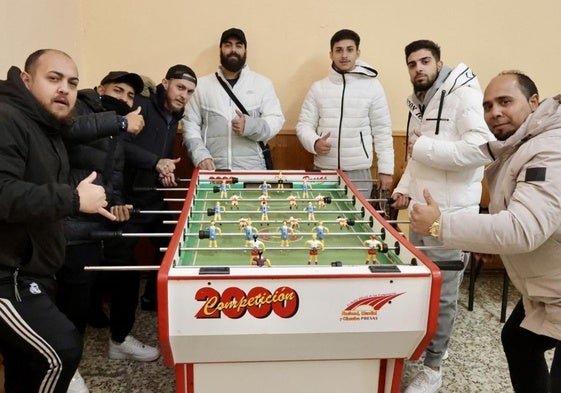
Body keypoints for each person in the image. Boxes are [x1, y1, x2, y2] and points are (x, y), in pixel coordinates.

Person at [410, 71, 561, 393]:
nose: (495, 112)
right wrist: (483, 238)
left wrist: (441, 224)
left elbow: (522, 229)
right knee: (519, 341)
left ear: (534, 103)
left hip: (555, 284)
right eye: (488, 105)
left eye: (505, 102)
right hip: (547, 281)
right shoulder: (520, 144)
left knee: (523, 345)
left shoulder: (550, 148)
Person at [0, 49, 111, 392]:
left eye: (72, 83)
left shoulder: (46, 126)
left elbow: (38, 195)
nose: (64, 88)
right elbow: (3, 194)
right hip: (7, 275)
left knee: (27, 363)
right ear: (26, 80)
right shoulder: (7, 118)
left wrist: (79, 202)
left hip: (31, 269)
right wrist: (75, 199)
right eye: (54, 79)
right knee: (62, 349)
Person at [390, 40, 494, 393]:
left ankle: (433, 368)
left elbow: (481, 150)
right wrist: (405, 185)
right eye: (412, 64)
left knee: (444, 295)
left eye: (425, 61)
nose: (418, 68)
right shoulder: (420, 102)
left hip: (450, 217)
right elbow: (419, 157)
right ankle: (420, 350)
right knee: (422, 289)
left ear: (440, 63)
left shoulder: (463, 95)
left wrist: (423, 147)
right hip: (420, 212)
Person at [100, 65, 197, 359]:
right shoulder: (140, 106)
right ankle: (118, 338)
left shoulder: (174, 116)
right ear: (165, 83)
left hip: (150, 195)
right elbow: (120, 148)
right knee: (122, 267)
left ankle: (155, 300)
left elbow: (157, 159)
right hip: (124, 199)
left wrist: (161, 171)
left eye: (190, 92)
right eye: (180, 87)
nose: (184, 95)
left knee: (175, 244)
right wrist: (156, 162)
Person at [56, 70, 145, 391]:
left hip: (104, 216)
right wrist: (121, 122)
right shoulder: (78, 106)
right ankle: (68, 369)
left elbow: (115, 177)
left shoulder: (115, 132)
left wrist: (119, 205)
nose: (123, 98)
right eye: (118, 90)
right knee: (75, 296)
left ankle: (119, 339)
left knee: (128, 270)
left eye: (130, 96)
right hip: (71, 216)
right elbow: (70, 130)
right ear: (100, 88)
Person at [296, 29, 394, 198]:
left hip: (359, 172)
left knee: (357, 221)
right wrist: (314, 142)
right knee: (323, 219)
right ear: (331, 54)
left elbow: (382, 130)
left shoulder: (372, 86)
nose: (344, 55)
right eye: (339, 50)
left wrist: (386, 170)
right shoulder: (318, 88)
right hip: (324, 170)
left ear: (358, 53)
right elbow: (304, 125)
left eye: (349, 49)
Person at [183, 27, 285, 170]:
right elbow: (190, 125)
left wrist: (250, 126)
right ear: (220, 50)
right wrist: (200, 155)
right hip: (213, 172)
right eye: (228, 45)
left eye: (238, 45)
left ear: (245, 51)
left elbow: (276, 120)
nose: (233, 50)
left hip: (253, 172)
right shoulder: (201, 86)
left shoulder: (262, 84)